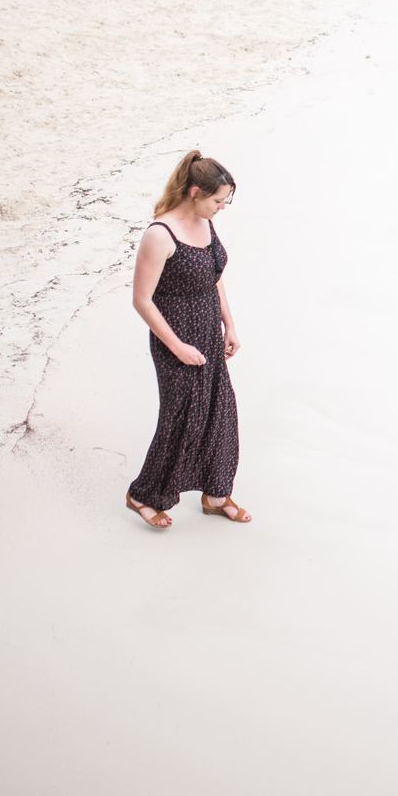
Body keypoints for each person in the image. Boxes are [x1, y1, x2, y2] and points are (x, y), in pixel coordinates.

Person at [124, 150, 251, 528]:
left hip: (208, 331)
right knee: (180, 419)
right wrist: (177, 347)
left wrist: (229, 323)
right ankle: (143, 495)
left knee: (220, 413)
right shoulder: (159, 234)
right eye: (218, 200)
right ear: (195, 192)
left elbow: (214, 276)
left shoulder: (205, 222)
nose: (222, 207)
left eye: (226, 201)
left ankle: (215, 494)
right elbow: (141, 300)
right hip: (174, 338)